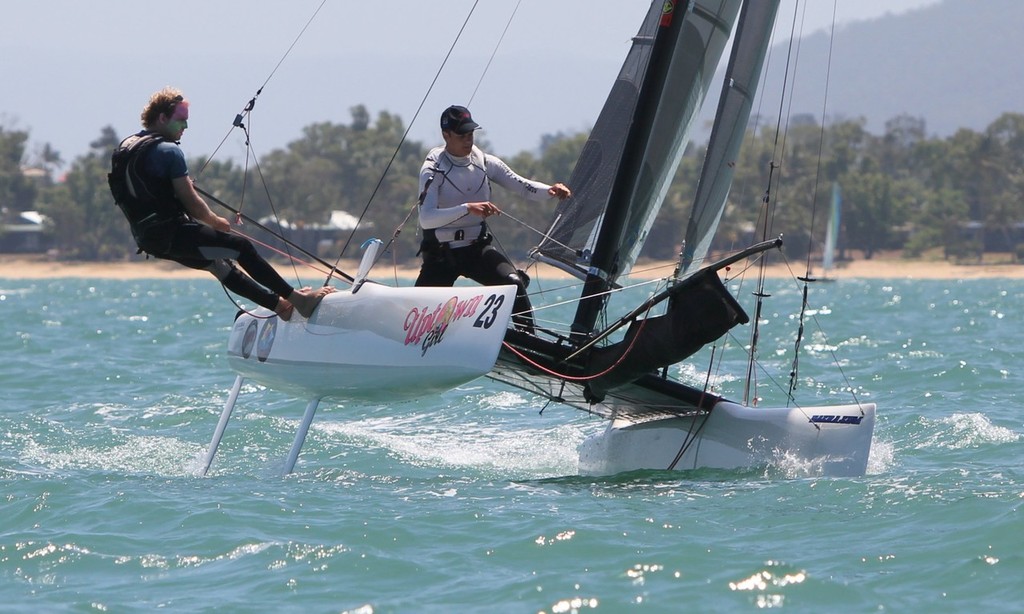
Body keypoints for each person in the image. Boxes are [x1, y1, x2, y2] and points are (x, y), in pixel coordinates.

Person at [109, 87, 334, 320]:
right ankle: (300, 301)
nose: (185, 127)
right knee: (241, 248)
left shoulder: (129, 145)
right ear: (163, 118)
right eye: (181, 121)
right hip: (170, 233)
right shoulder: (168, 151)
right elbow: (192, 203)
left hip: (147, 239)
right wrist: (215, 221)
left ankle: (280, 306)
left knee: (218, 264)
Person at [415, 105, 572, 331]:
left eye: (471, 134)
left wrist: (550, 191)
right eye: (462, 135)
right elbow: (426, 219)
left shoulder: (484, 162)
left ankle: (531, 343)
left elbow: (522, 186)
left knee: (514, 285)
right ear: (446, 135)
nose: (468, 140)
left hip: (475, 250)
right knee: (420, 310)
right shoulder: (432, 169)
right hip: (441, 255)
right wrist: (468, 208)